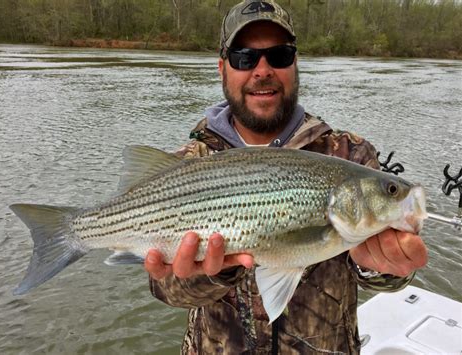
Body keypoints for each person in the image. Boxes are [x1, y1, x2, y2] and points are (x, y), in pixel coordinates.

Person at [145, 1, 428, 353]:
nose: (262, 70)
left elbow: (388, 279)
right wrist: (212, 272)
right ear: (222, 69)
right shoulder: (188, 163)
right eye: (244, 58)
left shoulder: (351, 155)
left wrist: (384, 267)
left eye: (279, 55)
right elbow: (163, 289)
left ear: (295, 65)